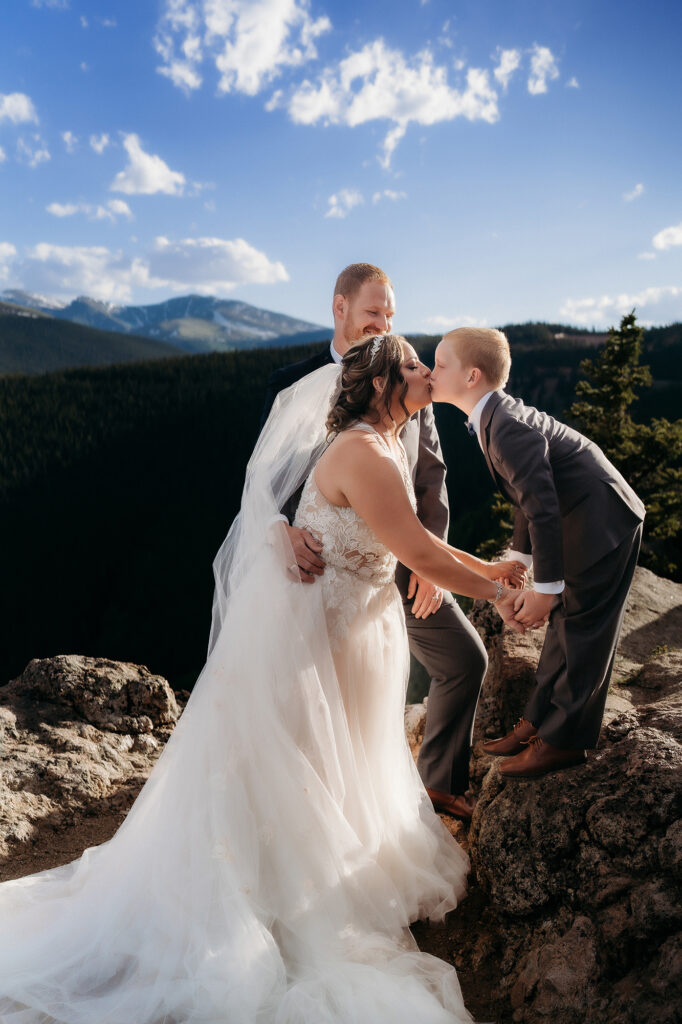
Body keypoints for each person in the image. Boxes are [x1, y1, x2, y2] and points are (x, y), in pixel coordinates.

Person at [0, 331, 520, 1023]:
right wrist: (503, 595)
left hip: (356, 630)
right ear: (380, 386)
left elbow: (420, 543)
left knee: (342, 759)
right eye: (414, 366)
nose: (427, 372)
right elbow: (415, 549)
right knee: (299, 764)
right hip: (321, 637)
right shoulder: (362, 451)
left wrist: (490, 568)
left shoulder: (389, 440)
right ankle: (274, 895)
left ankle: (326, 865)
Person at [262, 263, 524, 820]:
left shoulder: (404, 402)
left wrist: (452, 565)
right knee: (318, 715)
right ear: (341, 308)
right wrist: (276, 531)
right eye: (372, 312)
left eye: (390, 315)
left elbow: (427, 487)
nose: (383, 324)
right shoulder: (302, 388)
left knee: (459, 661)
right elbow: (263, 482)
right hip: (320, 574)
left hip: (397, 565)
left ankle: (437, 786)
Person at [430, 327, 645, 778]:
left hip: (603, 520)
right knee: (565, 627)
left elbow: (544, 506)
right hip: (578, 518)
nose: (432, 373)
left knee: (584, 630)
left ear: (472, 376)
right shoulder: (492, 418)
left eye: (440, 364)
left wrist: (545, 591)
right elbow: (528, 495)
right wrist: (521, 561)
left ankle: (564, 741)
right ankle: (536, 721)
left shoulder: (504, 425)